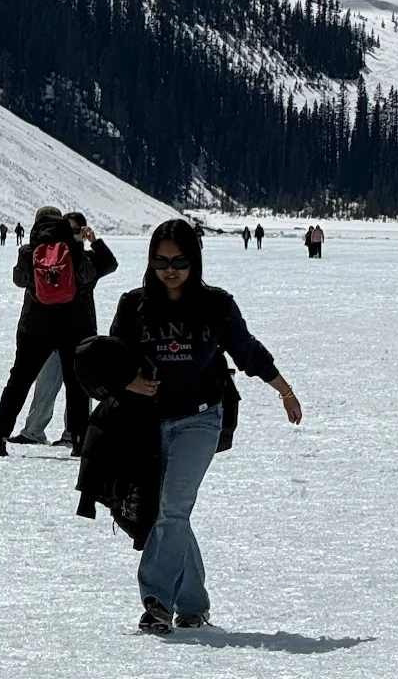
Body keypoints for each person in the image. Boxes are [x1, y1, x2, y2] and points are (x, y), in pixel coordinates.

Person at [110, 218, 302, 636]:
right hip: (146, 422)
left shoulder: (215, 305)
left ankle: (157, 600)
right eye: (161, 261)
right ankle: (193, 604)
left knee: (173, 507)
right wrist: (128, 382)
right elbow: (110, 360)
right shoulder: (133, 305)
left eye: (179, 260)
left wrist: (284, 391)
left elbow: (248, 352)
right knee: (171, 512)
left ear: (194, 260)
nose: (170, 270)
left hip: (200, 418)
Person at [0, 208, 107, 456]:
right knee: (76, 384)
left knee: (18, 382)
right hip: (74, 327)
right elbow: (101, 268)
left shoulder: (29, 251)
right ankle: (80, 441)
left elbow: (19, 280)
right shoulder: (74, 251)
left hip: (34, 328)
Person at [10, 211, 118, 446]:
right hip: (73, 331)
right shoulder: (73, 260)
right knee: (63, 383)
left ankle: (59, 432)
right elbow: (109, 264)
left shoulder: (72, 259)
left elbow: (19, 278)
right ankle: (57, 433)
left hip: (47, 331)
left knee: (65, 384)